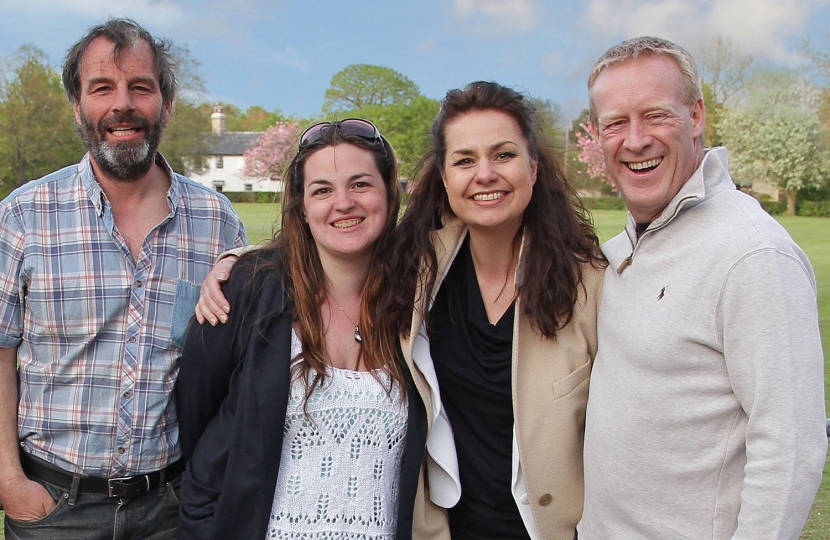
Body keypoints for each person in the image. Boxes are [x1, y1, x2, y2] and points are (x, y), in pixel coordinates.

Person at [195, 82, 605, 540]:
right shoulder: (424, 267)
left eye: (504, 155)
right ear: (445, 178)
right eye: (465, 160)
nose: (485, 174)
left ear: (534, 165)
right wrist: (238, 261)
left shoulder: (589, 285)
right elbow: (336, 238)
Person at [0, 18, 246, 540]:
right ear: (77, 105)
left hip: (171, 509)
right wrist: (9, 482)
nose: (122, 106)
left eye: (141, 87)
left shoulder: (217, 221)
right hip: (53, 509)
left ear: (166, 102)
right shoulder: (23, 216)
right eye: (102, 88)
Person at [578, 36, 827, 540]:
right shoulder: (625, 246)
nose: (635, 140)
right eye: (615, 123)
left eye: (655, 115)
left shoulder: (753, 254)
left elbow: (791, 448)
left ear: (695, 117)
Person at [175, 119, 427, 540]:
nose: (343, 203)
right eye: (323, 190)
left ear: (389, 192)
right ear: (303, 208)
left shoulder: (419, 300)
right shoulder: (246, 292)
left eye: (361, 184)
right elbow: (198, 422)